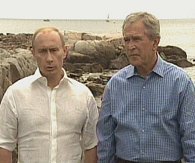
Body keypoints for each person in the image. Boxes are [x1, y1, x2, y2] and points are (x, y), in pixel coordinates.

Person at [97, 12, 195, 163]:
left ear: (155, 42)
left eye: (136, 39)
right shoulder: (115, 84)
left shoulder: (180, 82)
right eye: (127, 40)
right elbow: (106, 139)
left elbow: (191, 136)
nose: (130, 46)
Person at [0, 27, 98, 163]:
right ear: (33, 53)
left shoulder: (83, 95)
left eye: (54, 50)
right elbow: (4, 145)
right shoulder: (15, 94)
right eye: (42, 51)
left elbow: (91, 145)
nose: (49, 58)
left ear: (64, 51)